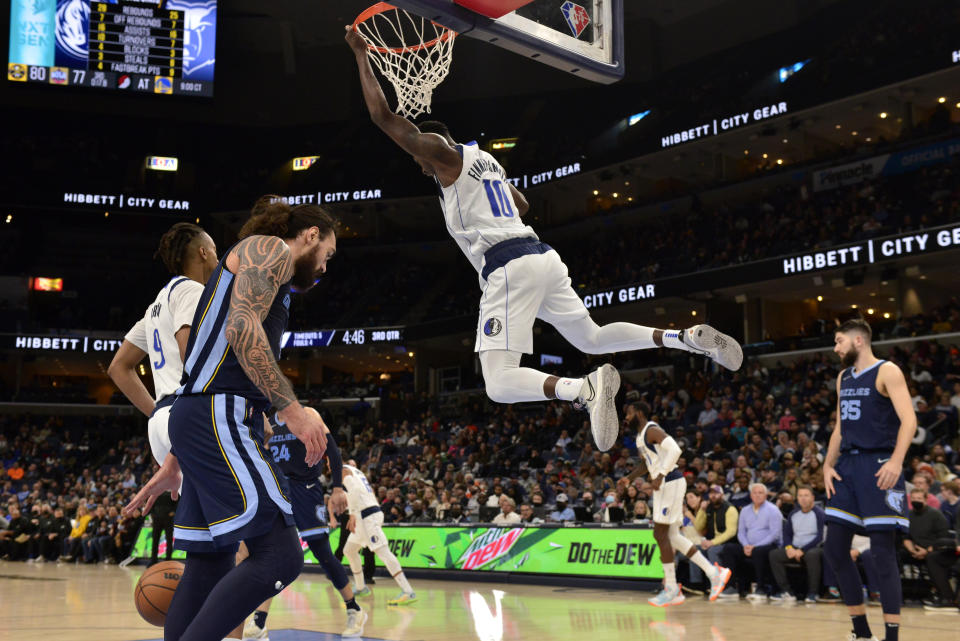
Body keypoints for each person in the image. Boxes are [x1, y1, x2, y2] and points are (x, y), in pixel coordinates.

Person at [344, 26, 743, 453]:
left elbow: (382, 118)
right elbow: (522, 204)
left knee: (497, 383)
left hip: (509, 265)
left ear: (432, 146)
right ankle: (683, 338)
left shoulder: (446, 157)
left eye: (419, 157)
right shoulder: (488, 161)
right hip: (542, 256)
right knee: (591, 337)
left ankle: (583, 390)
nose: (420, 166)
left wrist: (361, 55)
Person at [124, 196, 335, 641]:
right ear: (311, 236)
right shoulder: (270, 249)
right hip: (217, 414)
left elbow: (204, 363)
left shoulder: (243, 274)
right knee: (280, 556)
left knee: (211, 561)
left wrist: (179, 457)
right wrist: (292, 411)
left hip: (198, 417)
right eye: (327, 255)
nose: (324, 267)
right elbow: (241, 331)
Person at [823, 319, 916, 641]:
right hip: (846, 467)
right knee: (834, 549)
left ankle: (891, 636)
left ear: (858, 340)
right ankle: (861, 633)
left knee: (881, 553)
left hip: (879, 464)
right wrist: (826, 465)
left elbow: (910, 420)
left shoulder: (888, 371)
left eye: (838, 341)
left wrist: (896, 461)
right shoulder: (842, 377)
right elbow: (838, 428)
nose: (835, 348)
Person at [243, 411, 365, 640]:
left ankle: (354, 609)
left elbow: (333, 452)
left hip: (305, 489)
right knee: (270, 555)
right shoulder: (266, 419)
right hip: (278, 490)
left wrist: (337, 488)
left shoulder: (307, 414)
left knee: (323, 554)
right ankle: (259, 622)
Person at [109, 222, 219, 464]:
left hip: (162, 422)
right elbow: (190, 355)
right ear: (203, 252)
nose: (218, 259)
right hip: (188, 414)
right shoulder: (193, 291)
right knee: (241, 499)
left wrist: (156, 412)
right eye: (214, 250)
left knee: (197, 502)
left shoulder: (156, 306)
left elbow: (118, 366)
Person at [631, 403, 731, 606]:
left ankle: (671, 587)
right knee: (673, 536)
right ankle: (714, 573)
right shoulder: (640, 437)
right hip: (663, 485)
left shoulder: (652, 429)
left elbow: (675, 449)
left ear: (639, 413)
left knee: (659, 534)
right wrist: (628, 477)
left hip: (670, 482)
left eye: (628, 413)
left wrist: (660, 475)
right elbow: (647, 464)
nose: (625, 417)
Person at [341, 463, 417, 605]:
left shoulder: (343, 471)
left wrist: (352, 514)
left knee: (383, 553)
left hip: (366, 517)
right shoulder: (354, 470)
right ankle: (360, 587)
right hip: (366, 514)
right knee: (349, 550)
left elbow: (355, 491)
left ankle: (408, 591)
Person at [719, 483, 782, 600]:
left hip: (769, 546)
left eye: (760, 493)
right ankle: (731, 587)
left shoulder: (773, 510)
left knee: (758, 551)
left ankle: (761, 589)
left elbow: (775, 534)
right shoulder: (745, 510)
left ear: (766, 495)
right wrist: (746, 545)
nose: (757, 495)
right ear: (750, 495)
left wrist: (755, 546)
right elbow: (741, 532)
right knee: (729, 548)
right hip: (748, 546)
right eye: (754, 493)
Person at [902, 488, 957, 611]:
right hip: (915, 550)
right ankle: (898, 593)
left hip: (934, 548)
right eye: (914, 499)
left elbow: (944, 539)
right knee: (896, 554)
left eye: (919, 498)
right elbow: (906, 537)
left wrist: (926, 551)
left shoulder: (936, 515)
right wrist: (912, 551)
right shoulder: (909, 515)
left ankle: (947, 597)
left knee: (933, 557)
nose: (916, 501)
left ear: (926, 499)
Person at [768, 486, 825, 602]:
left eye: (806, 495)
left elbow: (820, 537)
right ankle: (786, 591)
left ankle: (813, 593)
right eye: (800, 496)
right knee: (774, 555)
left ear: (812, 498)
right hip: (795, 547)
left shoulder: (820, 514)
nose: (803, 499)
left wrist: (802, 550)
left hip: (814, 547)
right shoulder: (793, 514)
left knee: (812, 555)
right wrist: (789, 548)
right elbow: (787, 534)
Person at [692, 485, 739, 587]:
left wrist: (712, 543)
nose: (713, 496)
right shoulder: (708, 508)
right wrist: (702, 510)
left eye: (716, 493)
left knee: (712, 550)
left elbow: (731, 532)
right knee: (694, 550)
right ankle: (697, 584)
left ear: (722, 495)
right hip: (712, 541)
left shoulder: (730, 509)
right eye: (711, 493)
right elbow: (698, 527)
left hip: (728, 542)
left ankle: (718, 583)